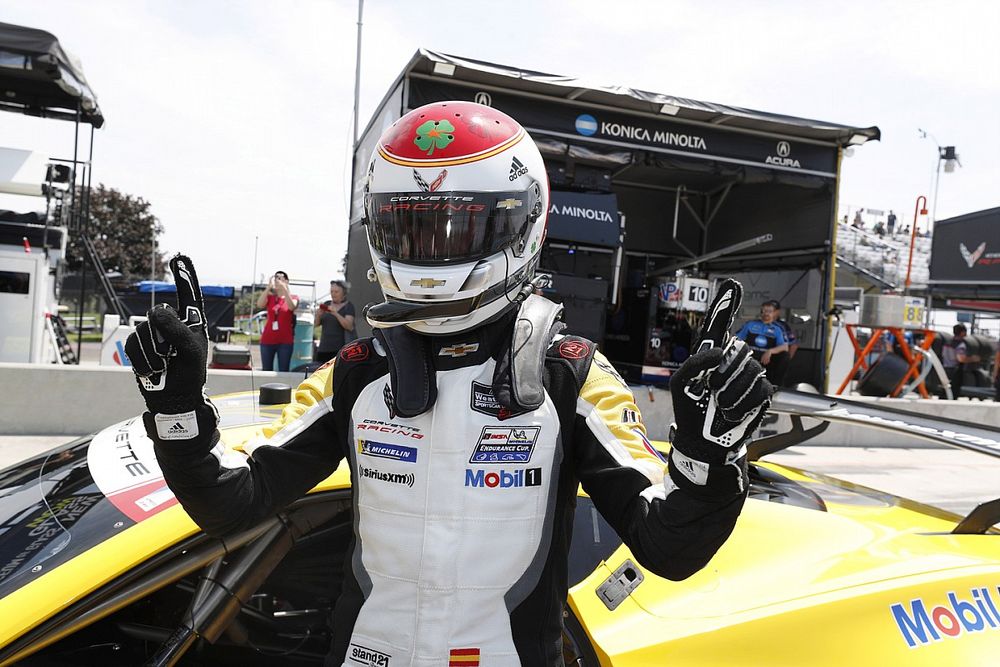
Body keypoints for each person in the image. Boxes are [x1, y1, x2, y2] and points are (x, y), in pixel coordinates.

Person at [123, 102, 771, 666]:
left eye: (455, 227)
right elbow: (230, 503)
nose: (429, 252)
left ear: (522, 222)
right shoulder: (356, 371)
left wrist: (710, 455)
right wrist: (177, 410)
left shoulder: (570, 374)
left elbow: (668, 547)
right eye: (410, 228)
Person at [734, 300, 789, 385]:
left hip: (766, 359)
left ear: (774, 313)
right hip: (751, 355)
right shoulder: (750, 324)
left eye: (769, 311)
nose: (766, 313)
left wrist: (770, 351)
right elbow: (736, 338)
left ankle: (775, 385)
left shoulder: (777, 329)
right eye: (764, 311)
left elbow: (784, 347)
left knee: (784, 356)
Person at [256, 270, 299, 371]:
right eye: (276, 278)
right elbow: (259, 304)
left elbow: (292, 306)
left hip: (285, 341)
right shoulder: (271, 298)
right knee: (266, 370)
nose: (277, 280)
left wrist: (285, 289)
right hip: (267, 340)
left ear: (286, 281)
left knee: (283, 370)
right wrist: (268, 288)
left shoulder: (293, 297)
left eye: (280, 278)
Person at [314, 279, 355, 364]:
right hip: (323, 348)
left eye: (336, 292)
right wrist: (318, 315)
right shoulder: (327, 304)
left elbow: (349, 326)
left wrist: (335, 313)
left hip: (339, 350)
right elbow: (316, 324)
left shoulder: (348, 306)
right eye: (331, 291)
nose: (333, 294)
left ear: (344, 293)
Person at [941, 323, 980, 399]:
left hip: (945, 369)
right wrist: (974, 358)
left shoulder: (947, 343)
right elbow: (961, 359)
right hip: (955, 371)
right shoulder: (961, 344)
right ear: (962, 332)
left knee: (945, 391)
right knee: (953, 393)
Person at [767, 300, 799, 387]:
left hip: (776, 359)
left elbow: (794, 345)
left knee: (776, 384)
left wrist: (785, 361)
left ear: (777, 312)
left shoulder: (783, 326)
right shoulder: (756, 324)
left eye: (772, 310)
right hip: (760, 358)